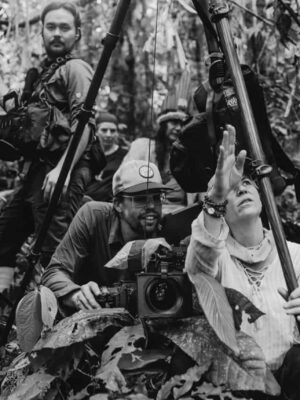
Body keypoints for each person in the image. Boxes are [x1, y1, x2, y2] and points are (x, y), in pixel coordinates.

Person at [185, 125, 300, 399]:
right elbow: (198, 270)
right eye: (233, 189)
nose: (242, 189)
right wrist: (215, 197)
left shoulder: (295, 254)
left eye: (248, 183)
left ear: (262, 194)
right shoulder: (217, 257)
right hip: (237, 385)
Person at [0, 1, 101, 292]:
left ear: (77, 34)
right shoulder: (44, 74)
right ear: (42, 32)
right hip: (36, 172)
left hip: (62, 170)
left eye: (64, 27)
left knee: (54, 255)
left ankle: (62, 324)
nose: (57, 33)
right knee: (5, 238)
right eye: (51, 27)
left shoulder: (76, 69)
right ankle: (5, 311)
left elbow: (85, 124)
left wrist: (63, 170)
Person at [41, 160, 170, 312]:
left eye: (156, 198)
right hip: (93, 318)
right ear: (117, 204)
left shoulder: (169, 226)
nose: (151, 206)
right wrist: (76, 295)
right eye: (140, 199)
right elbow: (54, 272)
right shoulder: (94, 217)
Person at [122, 109, 189, 213]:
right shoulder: (143, 147)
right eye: (174, 123)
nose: (179, 128)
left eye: (182, 124)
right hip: (144, 209)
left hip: (178, 210)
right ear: (163, 126)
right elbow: (126, 177)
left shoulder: (187, 154)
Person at [85, 111, 127, 202]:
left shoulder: (125, 156)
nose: (108, 135)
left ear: (117, 133)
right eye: (104, 130)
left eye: (112, 131)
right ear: (96, 132)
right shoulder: (87, 154)